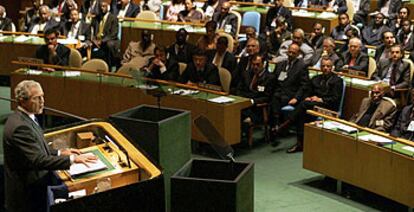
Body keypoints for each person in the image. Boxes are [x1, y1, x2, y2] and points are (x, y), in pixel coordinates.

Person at [3, 80, 97, 212]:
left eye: (42, 96)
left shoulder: (27, 118)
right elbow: (37, 160)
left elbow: (36, 149)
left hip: (35, 189)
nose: (42, 101)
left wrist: (60, 153)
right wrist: (72, 159)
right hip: (26, 197)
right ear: (22, 101)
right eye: (37, 98)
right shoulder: (20, 127)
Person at [275, 57, 344, 153]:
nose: (325, 68)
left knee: (303, 105)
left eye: (328, 66)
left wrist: (321, 99)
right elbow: (307, 92)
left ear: (332, 67)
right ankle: (300, 143)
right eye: (323, 66)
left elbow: (335, 99)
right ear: (320, 67)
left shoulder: (337, 81)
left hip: (328, 107)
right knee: (302, 112)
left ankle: (285, 125)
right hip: (312, 105)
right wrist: (307, 97)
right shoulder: (316, 79)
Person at [268, 43, 309, 141]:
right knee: (272, 98)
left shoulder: (302, 66)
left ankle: (276, 127)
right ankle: (276, 126)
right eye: (289, 52)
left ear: (298, 53)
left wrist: (296, 98)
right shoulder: (281, 64)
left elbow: (304, 86)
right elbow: (274, 79)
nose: (290, 54)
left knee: (276, 100)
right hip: (279, 92)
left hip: (291, 94)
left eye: (293, 53)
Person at [237, 54, 273, 125]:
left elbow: (267, 97)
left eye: (258, 64)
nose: (255, 67)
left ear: (263, 64)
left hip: (257, 108)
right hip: (243, 103)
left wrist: (253, 101)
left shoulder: (269, 78)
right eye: (253, 64)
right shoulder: (246, 74)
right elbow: (239, 89)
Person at [91, 1, 120, 67]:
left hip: (109, 40)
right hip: (97, 40)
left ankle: (109, 67)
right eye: (100, 6)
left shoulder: (113, 18)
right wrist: (94, 40)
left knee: (109, 44)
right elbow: (92, 30)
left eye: (104, 6)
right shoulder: (96, 18)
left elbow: (114, 34)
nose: (102, 8)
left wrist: (102, 41)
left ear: (108, 7)